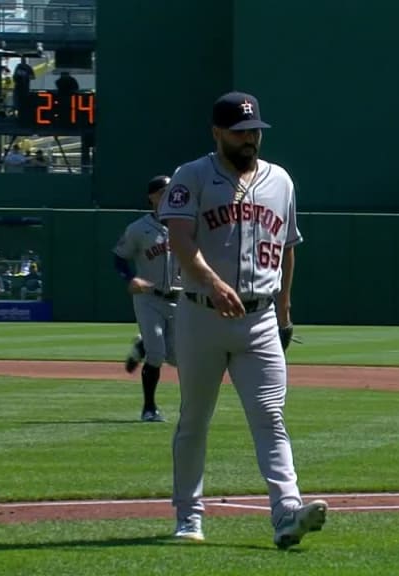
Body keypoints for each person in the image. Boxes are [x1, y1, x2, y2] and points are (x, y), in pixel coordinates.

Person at [157, 91, 326, 548]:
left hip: (261, 318)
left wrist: (285, 311)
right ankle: (189, 518)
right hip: (200, 313)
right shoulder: (191, 176)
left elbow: (288, 249)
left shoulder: (281, 181)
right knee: (195, 418)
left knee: (271, 416)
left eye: (254, 131)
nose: (250, 138)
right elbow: (179, 239)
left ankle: (287, 512)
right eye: (239, 131)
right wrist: (212, 282)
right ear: (217, 132)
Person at [112, 175, 181, 423]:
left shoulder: (187, 225)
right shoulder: (138, 229)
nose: (168, 195)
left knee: (178, 357)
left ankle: (141, 344)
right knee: (156, 354)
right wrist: (129, 278)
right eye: (163, 191)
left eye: (171, 191)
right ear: (151, 196)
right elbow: (119, 257)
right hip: (149, 297)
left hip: (180, 300)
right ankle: (149, 408)